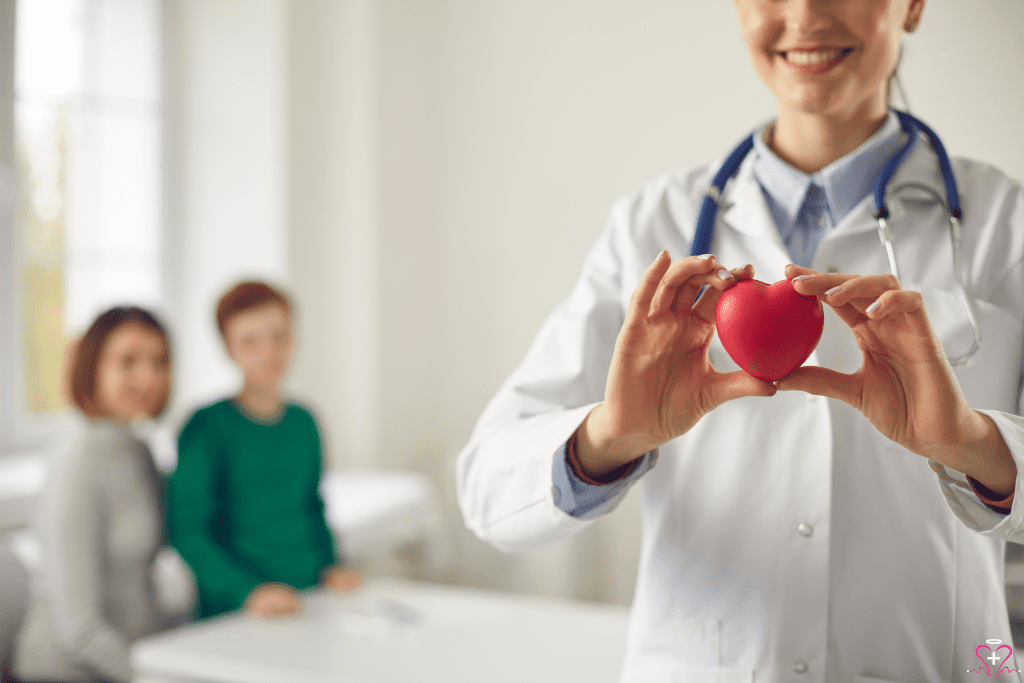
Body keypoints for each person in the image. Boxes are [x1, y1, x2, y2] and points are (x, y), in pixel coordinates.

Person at [457, 1, 1024, 680]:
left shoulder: (1004, 225)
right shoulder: (650, 225)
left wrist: (974, 445)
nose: (806, 14)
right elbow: (487, 489)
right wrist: (607, 437)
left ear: (911, 7)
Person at [167, 281, 361, 620]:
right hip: (236, 614)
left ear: (295, 338)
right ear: (228, 348)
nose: (268, 353)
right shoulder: (206, 428)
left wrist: (331, 566)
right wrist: (247, 591)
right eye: (250, 342)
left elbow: (312, 507)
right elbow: (189, 531)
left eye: (279, 337)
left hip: (308, 603)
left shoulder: (304, 422)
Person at [14, 307, 175, 682]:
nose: (148, 376)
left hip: (129, 661)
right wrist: (154, 676)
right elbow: (80, 630)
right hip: (66, 671)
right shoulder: (75, 463)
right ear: (93, 366)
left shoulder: (140, 451)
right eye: (128, 361)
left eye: (159, 361)